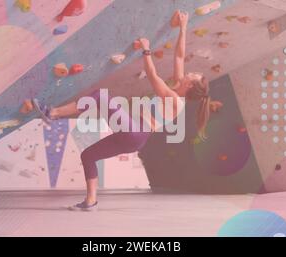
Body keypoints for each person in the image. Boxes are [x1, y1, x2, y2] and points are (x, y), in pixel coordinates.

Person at [33, 10, 222, 211]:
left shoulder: (175, 99)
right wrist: (184, 27)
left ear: (190, 86)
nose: (190, 73)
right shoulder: (177, 87)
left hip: (134, 131)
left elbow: (152, 76)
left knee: (100, 96)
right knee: (88, 156)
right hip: (135, 138)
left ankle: (52, 113)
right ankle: (91, 201)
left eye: (193, 75)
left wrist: (147, 50)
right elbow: (179, 55)